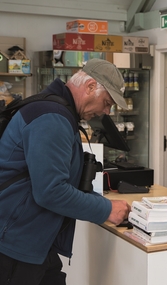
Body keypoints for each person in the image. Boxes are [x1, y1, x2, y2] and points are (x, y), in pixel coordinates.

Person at [0, 58, 131, 285]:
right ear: (90, 87)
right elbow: (51, 191)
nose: (106, 112)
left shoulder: (57, 111)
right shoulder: (52, 118)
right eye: (107, 102)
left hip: (37, 240)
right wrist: (106, 208)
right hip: (16, 245)